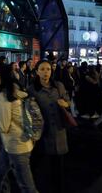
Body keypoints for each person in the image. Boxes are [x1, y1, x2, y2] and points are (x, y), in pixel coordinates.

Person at [0, 64, 38, 193]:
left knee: (27, 187)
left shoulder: (3, 95)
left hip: (17, 146)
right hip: (15, 142)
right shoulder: (15, 88)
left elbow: (3, 126)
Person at [27, 60, 70, 193]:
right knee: (41, 164)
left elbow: (68, 100)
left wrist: (66, 104)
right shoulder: (32, 89)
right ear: (37, 71)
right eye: (42, 69)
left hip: (59, 130)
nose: (46, 72)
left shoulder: (58, 86)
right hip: (42, 133)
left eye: (48, 69)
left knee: (58, 165)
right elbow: (29, 111)